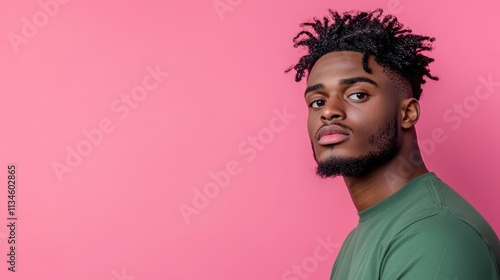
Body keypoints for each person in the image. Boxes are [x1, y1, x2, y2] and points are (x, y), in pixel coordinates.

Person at [285, 8, 500, 279]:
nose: (328, 112)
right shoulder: (360, 238)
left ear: (407, 113)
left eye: (358, 94)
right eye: (317, 102)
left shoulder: (433, 236)